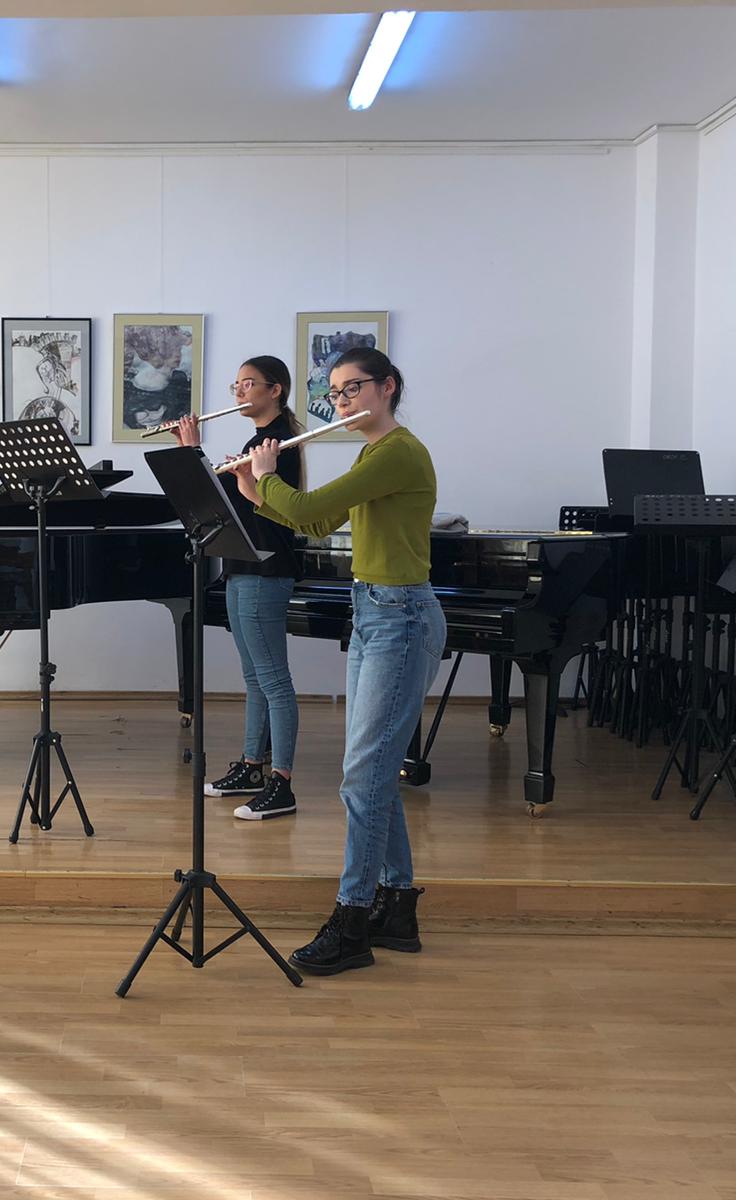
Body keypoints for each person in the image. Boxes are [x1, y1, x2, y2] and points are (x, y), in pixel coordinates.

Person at [228, 347, 444, 976]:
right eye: (337, 393)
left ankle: (351, 922)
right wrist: (253, 488)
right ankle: (395, 907)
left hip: (401, 617)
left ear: (388, 387)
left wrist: (267, 472)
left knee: (362, 777)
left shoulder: (399, 451)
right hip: (374, 612)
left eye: (354, 389)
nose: (343, 402)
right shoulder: (372, 453)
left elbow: (305, 508)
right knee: (371, 773)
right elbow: (318, 525)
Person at [175, 355, 303, 821]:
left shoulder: (277, 442)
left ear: (275, 390)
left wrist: (194, 453)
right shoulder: (258, 441)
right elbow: (224, 506)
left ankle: (281, 783)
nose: (239, 392)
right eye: (236, 385)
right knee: (255, 678)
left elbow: (261, 505)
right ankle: (252, 767)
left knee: (274, 680)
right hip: (242, 566)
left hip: (266, 569)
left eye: (249, 384)